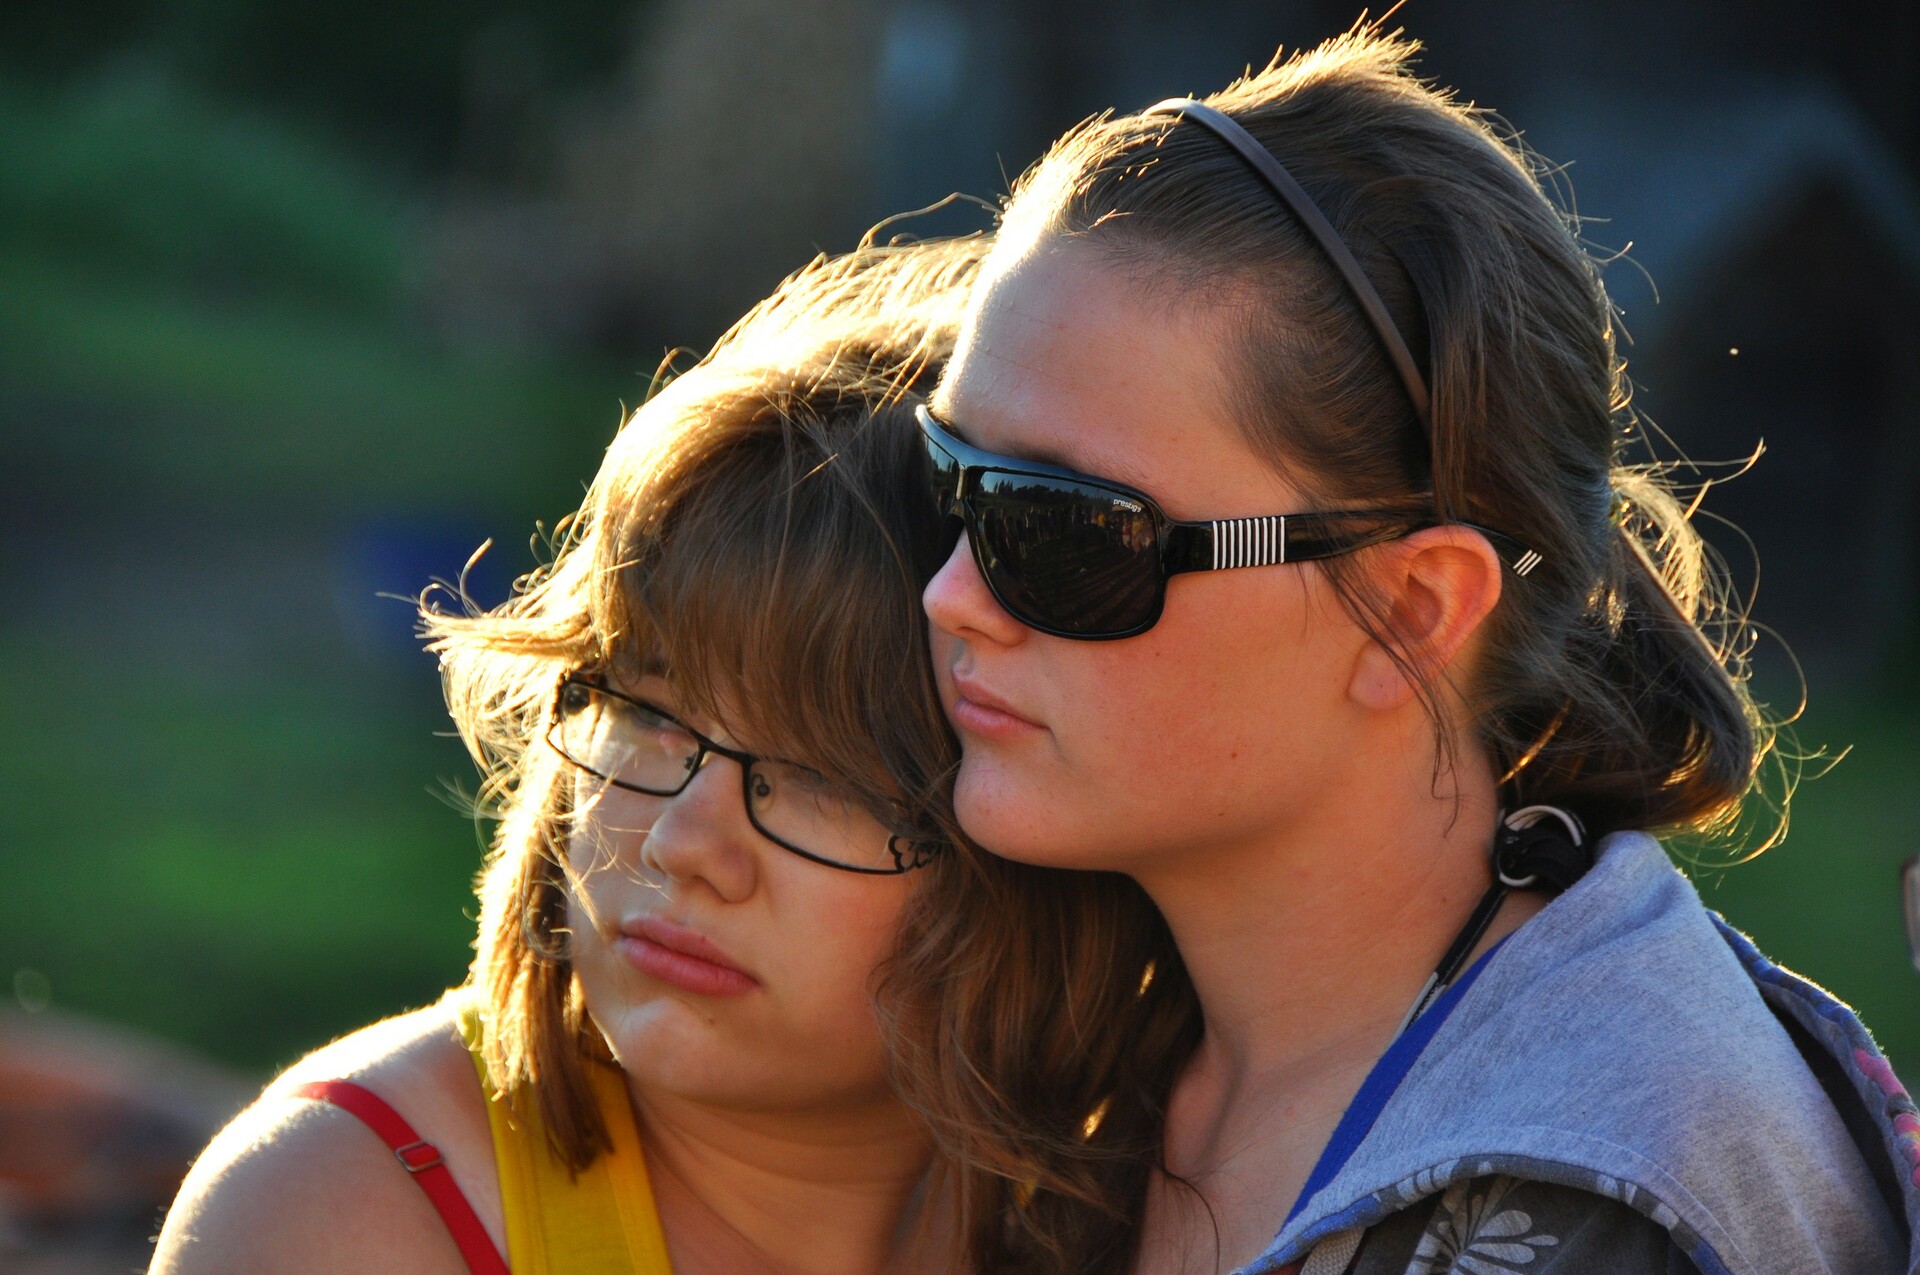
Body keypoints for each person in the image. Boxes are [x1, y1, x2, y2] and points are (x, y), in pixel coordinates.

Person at [895, 28, 1920, 1275]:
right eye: (947, 479)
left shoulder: (1606, 1200)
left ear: (1412, 612)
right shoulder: (1083, 1043)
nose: (954, 595)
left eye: (1064, 531)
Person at [151, 238, 1001, 1275]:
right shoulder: (344, 1209)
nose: (684, 843)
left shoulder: (1145, 1213)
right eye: (648, 714)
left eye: (826, 775)